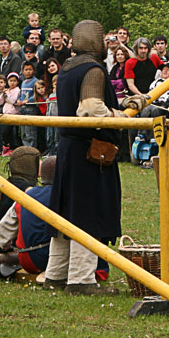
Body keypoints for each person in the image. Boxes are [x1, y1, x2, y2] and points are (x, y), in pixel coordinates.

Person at [46, 20, 130, 294]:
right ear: (96, 43)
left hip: (69, 148)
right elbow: (92, 109)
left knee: (66, 212)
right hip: (87, 152)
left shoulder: (68, 69)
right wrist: (117, 116)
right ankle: (81, 280)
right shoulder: (93, 70)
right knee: (86, 213)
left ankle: (56, 275)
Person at [0, 146, 41, 257]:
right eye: (38, 161)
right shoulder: (24, 190)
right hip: (6, 243)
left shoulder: (7, 184)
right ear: (30, 165)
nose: (41, 163)